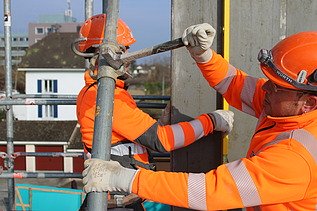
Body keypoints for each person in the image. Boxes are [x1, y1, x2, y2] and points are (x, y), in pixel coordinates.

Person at [82, 23, 317, 211]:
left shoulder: (297, 157)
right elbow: (236, 84)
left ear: (309, 103)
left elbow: (209, 191)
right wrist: (204, 56)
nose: (264, 89)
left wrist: (125, 179)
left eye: (276, 87)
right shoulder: (287, 108)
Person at [77, 15, 234, 210]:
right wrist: (212, 121)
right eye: (122, 51)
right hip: (115, 200)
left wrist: (159, 123)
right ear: (103, 54)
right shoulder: (104, 97)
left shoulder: (104, 93)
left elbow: (128, 140)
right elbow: (162, 141)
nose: (128, 58)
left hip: (118, 197)